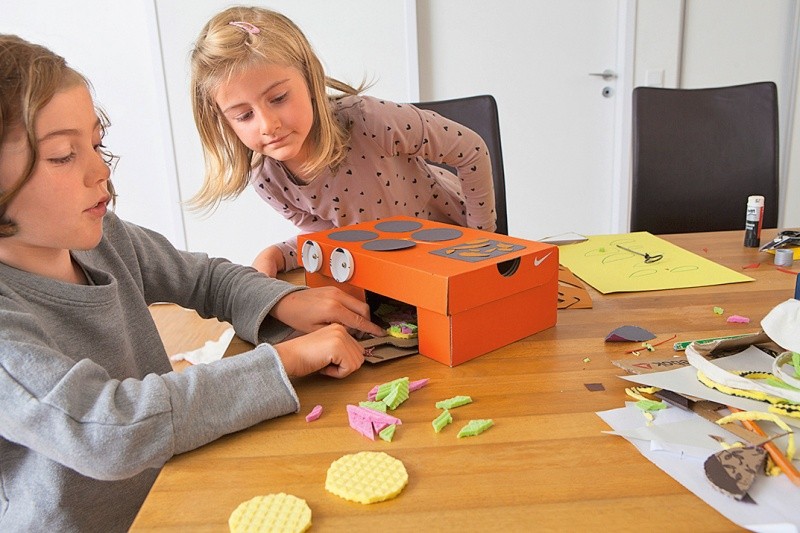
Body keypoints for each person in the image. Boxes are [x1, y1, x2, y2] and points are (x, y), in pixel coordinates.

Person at [0, 35, 385, 532]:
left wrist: (283, 301)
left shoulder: (101, 236)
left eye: (96, 144)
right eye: (61, 156)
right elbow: (108, 430)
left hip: (170, 491)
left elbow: (204, 277)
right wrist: (283, 361)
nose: (101, 172)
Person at [190, 6, 497, 276]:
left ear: (310, 80)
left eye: (279, 98)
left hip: (456, 255)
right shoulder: (268, 181)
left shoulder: (370, 119)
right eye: (244, 116)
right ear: (225, 123)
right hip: (397, 278)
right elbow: (337, 242)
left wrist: (484, 248)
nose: (269, 125)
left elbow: (471, 150)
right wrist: (277, 255)